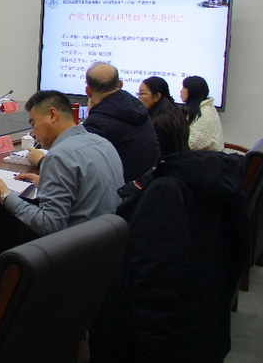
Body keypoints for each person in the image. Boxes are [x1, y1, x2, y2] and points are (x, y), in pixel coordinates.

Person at [89, 149, 247, 362]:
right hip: (205, 329)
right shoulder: (221, 180)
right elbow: (238, 254)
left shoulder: (164, 193)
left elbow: (155, 288)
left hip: (156, 342)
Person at [0, 90, 123, 236]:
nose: (33, 133)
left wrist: (4, 195)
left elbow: (49, 225)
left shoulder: (58, 156)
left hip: (78, 245)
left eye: (33, 124)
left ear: (52, 115)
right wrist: (48, 182)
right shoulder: (104, 143)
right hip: (110, 241)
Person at [81, 62, 160, 182]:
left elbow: (85, 163)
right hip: (150, 183)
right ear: (120, 84)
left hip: (124, 189)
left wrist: (92, 116)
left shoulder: (97, 123)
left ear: (88, 91)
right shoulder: (137, 106)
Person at [136, 76, 190, 156]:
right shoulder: (174, 111)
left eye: (142, 94)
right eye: (138, 94)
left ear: (157, 97)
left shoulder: (161, 122)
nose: (138, 98)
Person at [181, 75, 224, 151]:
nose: (181, 91)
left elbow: (193, 144)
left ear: (192, 92)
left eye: (184, 88)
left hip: (206, 157)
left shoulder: (205, 113)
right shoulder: (199, 108)